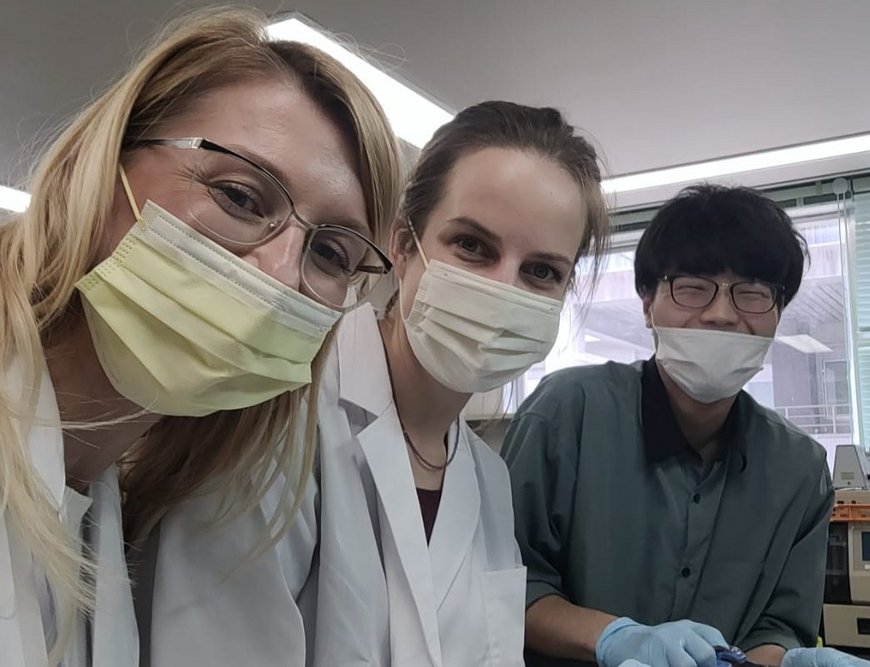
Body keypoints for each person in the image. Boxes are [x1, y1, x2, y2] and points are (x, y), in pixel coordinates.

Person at [138, 100, 611, 666]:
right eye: (472, 245)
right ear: (403, 245)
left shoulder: (487, 479)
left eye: (541, 272)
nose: (503, 288)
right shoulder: (275, 417)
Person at [0, 7, 401, 666]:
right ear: (97, 169)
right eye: (241, 197)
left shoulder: (98, 497)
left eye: (330, 252)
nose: (279, 275)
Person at [503, 185, 870, 667]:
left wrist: (780, 661)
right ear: (646, 302)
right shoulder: (568, 413)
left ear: (778, 311)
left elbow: (777, 626)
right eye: (693, 287)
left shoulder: (799, 469)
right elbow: (503, 585)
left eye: (752, 293)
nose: (721, 315)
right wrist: (615, 638)